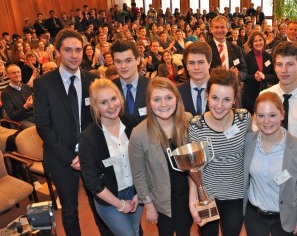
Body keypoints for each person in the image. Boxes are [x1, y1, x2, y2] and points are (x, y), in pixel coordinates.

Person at [33, 29, 112, 236]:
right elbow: (43, 126)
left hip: (90, 155)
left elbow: (97, 119)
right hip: (60, 158)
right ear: (57, 52)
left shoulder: (91, 80)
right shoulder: (43, 83)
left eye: (78, 50)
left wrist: (85, 154)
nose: (74, 55)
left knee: (100, 205)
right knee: (69, 210)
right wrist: (71, 157)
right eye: (68, 50)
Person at [189, 67, 251, 236]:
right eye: (214, 97)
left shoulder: (243, 119)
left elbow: (252, 152)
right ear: (207, 95)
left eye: (226, 99)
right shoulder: (196, 126)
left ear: (234, 100)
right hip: (207, 197)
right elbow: (194, 168)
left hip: (235, 196)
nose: (219, 105)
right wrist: (192, 198)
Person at [129, 77, 193, 236]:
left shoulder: (188, 121)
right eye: (157, 99)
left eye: (168, 98)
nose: (163, 104)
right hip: (161, 202)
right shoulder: (139, 133)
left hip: (187, 197)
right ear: (149, 102)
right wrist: (149, 206)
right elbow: (138, 174)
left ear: (177, 99)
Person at [79, 79, 142, 236]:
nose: (112, 106)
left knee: (135, 231)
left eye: (114, 99)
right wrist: (120, 204)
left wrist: (140, 193)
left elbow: (145, 162)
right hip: (109, 199)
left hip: (136, 194)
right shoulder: (88, 137)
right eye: (104, 102)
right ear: (95, 107)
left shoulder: (133, 124)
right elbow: (92, 181)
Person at [243, 92, 297, 236]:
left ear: (282, 115)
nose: (266, 121)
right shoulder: (248, 141)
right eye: (261, 115)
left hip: (285, 217)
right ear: (255, 117)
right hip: (254, 216)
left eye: (272, 115)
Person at [111, 40, 150, 135]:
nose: (123, 66)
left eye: (128, 60)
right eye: (118, 61)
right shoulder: (109, 90)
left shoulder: (152, 86)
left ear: (137, 60)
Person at [242, 31, 278, 114]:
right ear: (251, 43)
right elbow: (243, 76)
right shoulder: (246, 57)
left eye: (260, 40)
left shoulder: (269, 57)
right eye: (255, 41)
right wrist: (253, 77)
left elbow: (274, 76)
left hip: (264, 94)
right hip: (249, 96)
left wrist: (264, 76)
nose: (258, 43)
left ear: (264, 41)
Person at [208, 15, 247, 82]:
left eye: (222, 27)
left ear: (227, 29)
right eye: (216, 27)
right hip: (212, 88)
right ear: (211, 29)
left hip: (232, 88)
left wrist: (236, 75)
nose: (220, 30)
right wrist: (227, 76)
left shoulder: (236, 49)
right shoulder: (205, 48)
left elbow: (244, 71)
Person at [178, 42, 211, 116]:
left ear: (209, 63)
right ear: (186, 65)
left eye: (201, 62)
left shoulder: (223, 90)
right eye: (191, 63)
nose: (196, 67)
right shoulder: (176, 92)